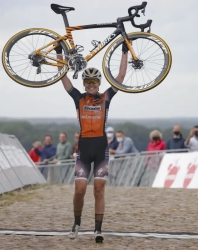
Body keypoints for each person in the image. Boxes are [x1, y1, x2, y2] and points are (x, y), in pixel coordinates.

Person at [54, 40, 129, 243]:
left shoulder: (106, 97)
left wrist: (125, 52)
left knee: (98, 189)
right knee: (79, 190)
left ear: (99, 84)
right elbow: (63, 78)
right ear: (85, 84)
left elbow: (121, 77)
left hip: (101, 148)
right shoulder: (78, 97)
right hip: (84, 148)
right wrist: (59, 54)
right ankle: (77, 223)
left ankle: (98, 229)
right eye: (88, 82)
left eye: (94, 82)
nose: (91, 85)